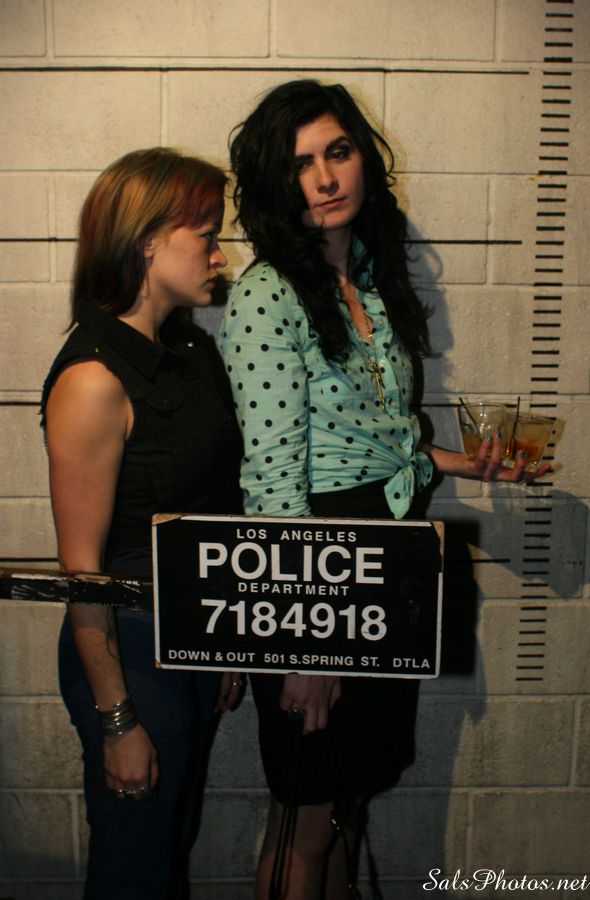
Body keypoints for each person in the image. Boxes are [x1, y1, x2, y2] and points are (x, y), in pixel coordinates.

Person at [220, 80, 550, 899]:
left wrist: (468, 465)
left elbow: (378, 444)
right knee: (303, 818)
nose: (326, 177)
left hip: (387, 550)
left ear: (363, 158)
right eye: (301, 164)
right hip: (315, 563)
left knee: (347, 806)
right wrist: (304, 643)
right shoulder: (267, 294)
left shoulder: (368, 278)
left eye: (338, 152)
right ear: (274, 183)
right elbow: (273, 481)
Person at [41, 147, 243, 900]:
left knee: (169, 846)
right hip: (127, 649)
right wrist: (117, 719)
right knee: (135, 870)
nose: (221, 255)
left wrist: (226, 641)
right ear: (148, 240)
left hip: (193, 635)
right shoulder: (93, 380)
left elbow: (216, 507)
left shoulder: (189, 350)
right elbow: (82, 572)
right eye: (208, 236)